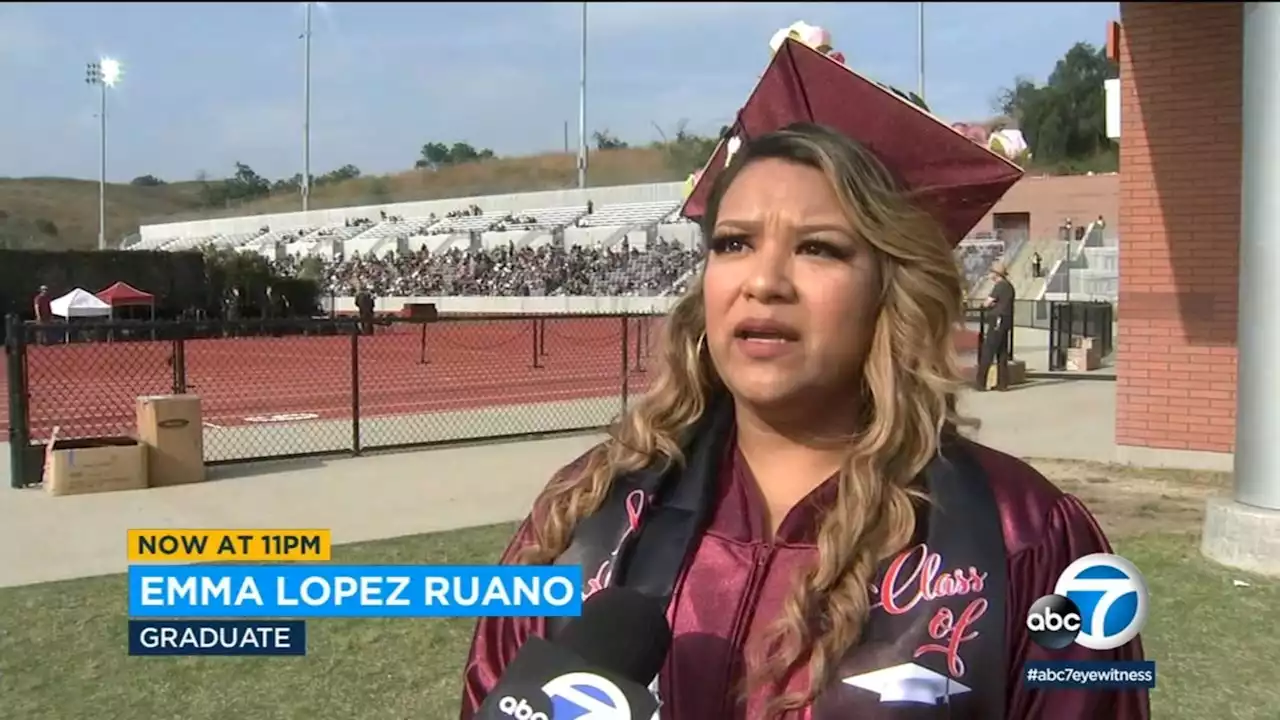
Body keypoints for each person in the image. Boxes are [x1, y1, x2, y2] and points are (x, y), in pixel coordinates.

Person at [461, 39, 1148, 720]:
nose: (762, 282)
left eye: (818, 248)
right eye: (733, 243)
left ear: (892, 289)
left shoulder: (1026, 541)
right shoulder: (586, 519)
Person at [976, 261, 1016, 392]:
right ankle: (1002, 383)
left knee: (988, 350)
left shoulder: (999, 286)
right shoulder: (1009, 286)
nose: (989, 275)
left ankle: (980, 382)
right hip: (1006, 321)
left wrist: (988, 305)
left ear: (996, 274)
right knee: (1002, 352)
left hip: (997, 321)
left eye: (991, 272)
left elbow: (987, 303)